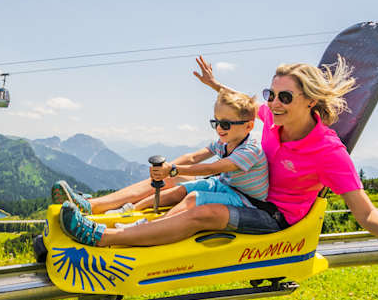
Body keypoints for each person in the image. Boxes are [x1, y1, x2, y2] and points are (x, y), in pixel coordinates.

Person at [57, 55, 378, 248]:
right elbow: (244, 106)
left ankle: (104, 238)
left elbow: (365, 213)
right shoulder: (272, 117)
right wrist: (216, 86)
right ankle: (91, 205)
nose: (274, 103)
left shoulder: (329, 152)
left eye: (284, 96)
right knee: (179, 184)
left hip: (275, 216)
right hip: (243, 192)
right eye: (271, 94)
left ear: (311, 101)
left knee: (205, 212)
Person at [49, 91, 266, 216]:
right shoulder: (224, 140)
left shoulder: (250, 149)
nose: (219, 128)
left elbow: (211, 167)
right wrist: (166, 169)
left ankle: (150, 225)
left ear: (248, 126)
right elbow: (193, 157)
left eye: (225, 124)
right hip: (225, 185)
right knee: (173, 187)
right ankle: (114, 209)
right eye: (216, 122)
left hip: (244, 199)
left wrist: (173, 170)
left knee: (190, 196)